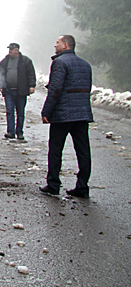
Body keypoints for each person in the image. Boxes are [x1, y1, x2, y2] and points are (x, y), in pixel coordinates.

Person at [39, 35, 93, 198]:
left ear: (66, 45)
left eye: (57, 43)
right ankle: (82, 186)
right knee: (83, 151)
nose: (55, 46)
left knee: (56, 149)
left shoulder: (59, 62)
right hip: (82, 114)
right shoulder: (85, 65)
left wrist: (46, 111)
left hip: (63, 114)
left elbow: (55, 89)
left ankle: (53, 184)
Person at [0, 43, 36, 141]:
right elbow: (0, 73)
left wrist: (32, 85)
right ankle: (11, 132)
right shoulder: (5, 61)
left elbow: (31, 73)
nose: (10, 51)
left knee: (20, 112)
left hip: (21, 91)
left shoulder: (25, 61)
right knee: (10, 111)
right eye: (9, 49)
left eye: (12, 49)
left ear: (17, 50)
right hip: (8, 90)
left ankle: (19, 132)